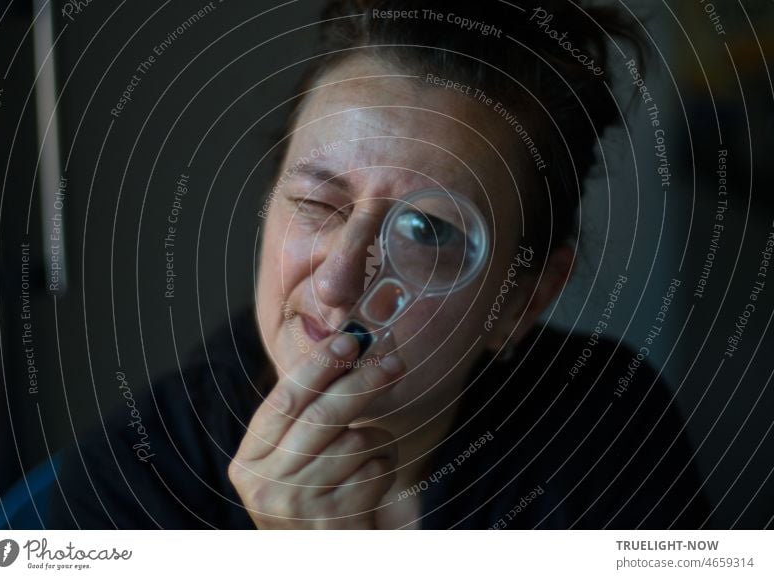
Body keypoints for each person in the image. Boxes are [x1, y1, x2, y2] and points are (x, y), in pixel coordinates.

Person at [48, 0, 709, 529]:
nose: (337, 281)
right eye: (316, 201)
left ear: (521, 302)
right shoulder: (126, 494)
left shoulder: (608, 429)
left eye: (427, 230)